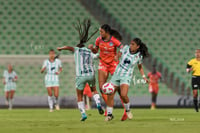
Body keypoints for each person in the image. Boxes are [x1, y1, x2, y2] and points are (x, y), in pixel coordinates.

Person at [57, 19, 104, 121]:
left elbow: (69, 47)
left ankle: (83, 114)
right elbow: (98, 56)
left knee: (79, 95)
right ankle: (99, 104)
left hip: (81, 76)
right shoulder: (89, 52)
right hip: (91, 74)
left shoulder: (77, 50)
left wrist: (61, 48)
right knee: (94, 90)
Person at [88, 24, 127, 120]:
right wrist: (92, 48)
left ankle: (126, 110)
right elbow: (95, 51)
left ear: (107, 32)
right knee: (102, 88)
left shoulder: (113, 40)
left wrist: (118, 55)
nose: (100, 33)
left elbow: (123, 47)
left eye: (101, 31)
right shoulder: (98, 40)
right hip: (103, 64)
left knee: (118, 89)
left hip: (113, 64)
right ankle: (108, 110)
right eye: (99, 31)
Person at [105, 38, 149, 121]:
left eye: (133, 44)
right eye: (131, 43)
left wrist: (144, 77)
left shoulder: (139, 56)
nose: (130, 45)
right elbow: (119, 53)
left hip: (126, 76)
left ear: (137, 47)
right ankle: (109, 115)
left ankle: (128, 110)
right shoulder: (125, 48)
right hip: (117, 74)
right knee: (110, 94)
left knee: (123, 95)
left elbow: (140, 67)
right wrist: (117, 57)